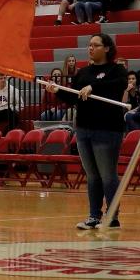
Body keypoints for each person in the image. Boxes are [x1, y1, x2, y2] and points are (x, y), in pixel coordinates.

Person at [46, 33, 127, 229]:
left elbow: (117, 86)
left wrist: (94, 87)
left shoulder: (117, 71)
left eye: (95, 45)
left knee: (108, 175)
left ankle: (112, 216)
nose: (90, 48)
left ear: (107, 48)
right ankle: (94, 215)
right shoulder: (83, 73)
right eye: (89, 45)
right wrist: (57, 91)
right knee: (92, 175)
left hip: (107, 130)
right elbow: (74, 97)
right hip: (84, 129)